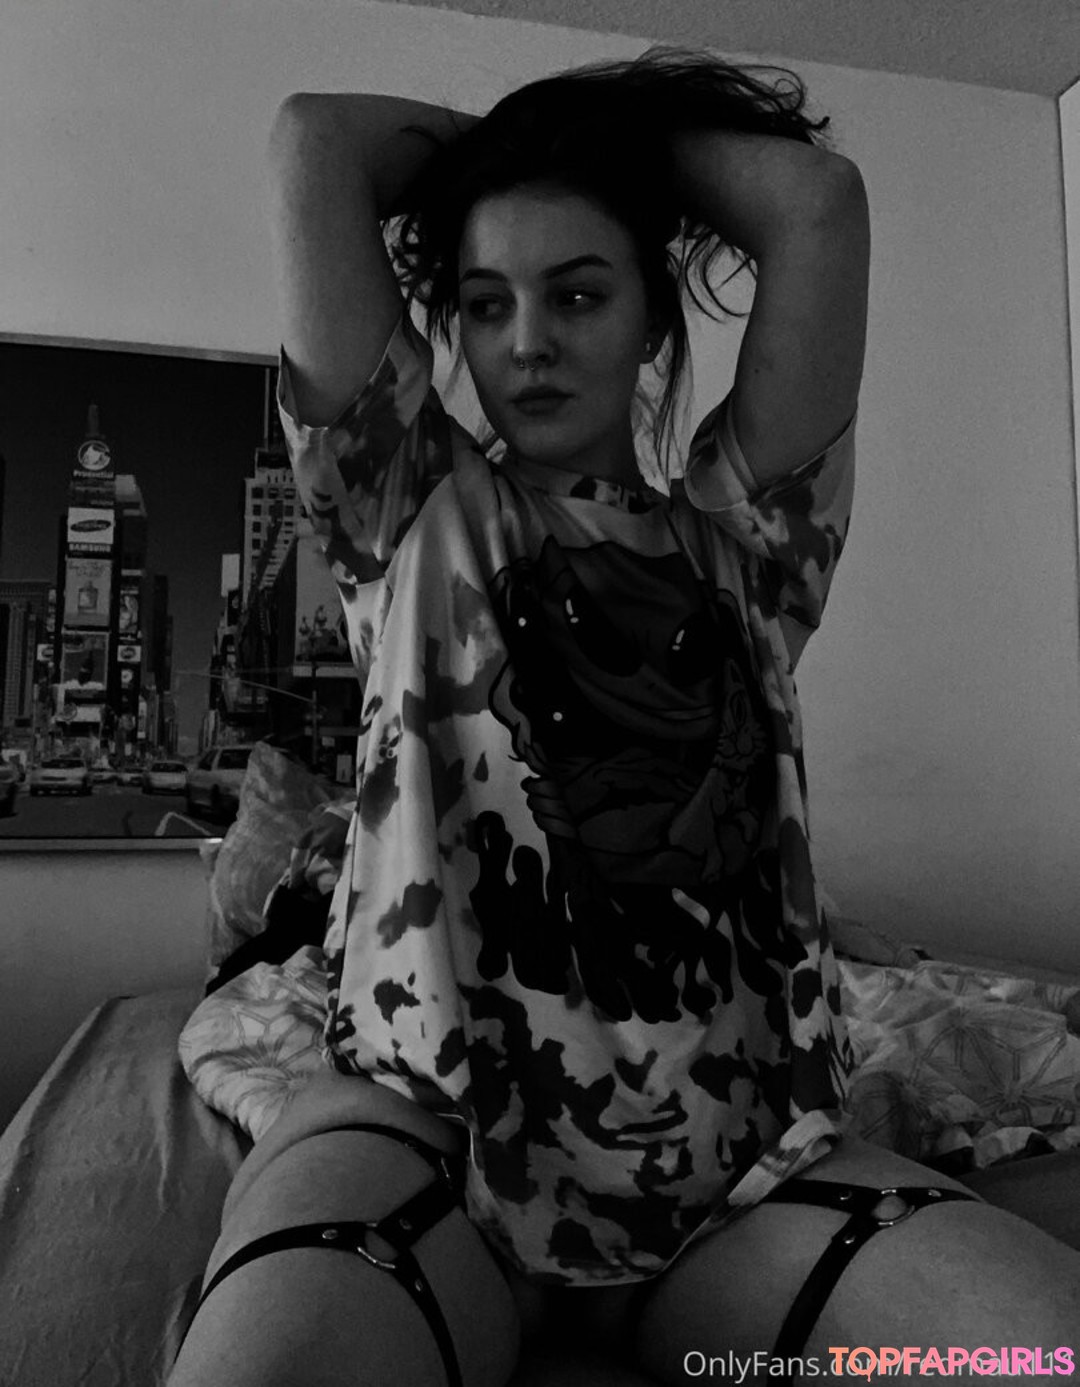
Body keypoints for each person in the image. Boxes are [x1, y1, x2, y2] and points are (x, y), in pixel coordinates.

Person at [169, 46, 1079, 1387]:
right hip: (429, 1143)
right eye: (486, 303)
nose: (526, 342)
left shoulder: (751, 548)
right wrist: (528, 147)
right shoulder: (406, 507)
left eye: (580, 293)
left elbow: (817, 203)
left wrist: (591, 148)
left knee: (1044, 1356)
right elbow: (313, 138)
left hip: (740, 1183)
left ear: (655, 322)